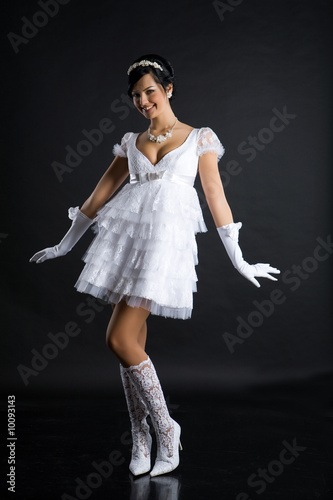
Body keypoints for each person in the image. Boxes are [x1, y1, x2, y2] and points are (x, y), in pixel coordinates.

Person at [30, 54, 280, 477]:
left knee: (119, 338)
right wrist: (63, 244)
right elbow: (97, 198)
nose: (143, 101)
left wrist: (240, 260)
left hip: (165, 249)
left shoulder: (198, 138)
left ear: (167, 89)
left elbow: (215, 196)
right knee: (132, 346)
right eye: (135, 96)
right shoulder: (132, 142)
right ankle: (140, 435)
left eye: (150, 91)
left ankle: (165, 427)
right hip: (127, 246)